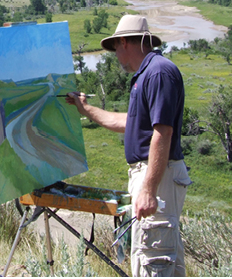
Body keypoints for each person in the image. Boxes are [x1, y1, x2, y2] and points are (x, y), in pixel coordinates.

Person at [66, 15, 192, 277]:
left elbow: (162, 133)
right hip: (157, 177)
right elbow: (127, 122)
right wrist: (85, 108)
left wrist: (149, 188)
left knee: (154, 260)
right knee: (162, 259)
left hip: (158, 177)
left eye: (114, 49)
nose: (116, 56)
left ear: (123, 42)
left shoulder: (157, 72)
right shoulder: (147, 74)